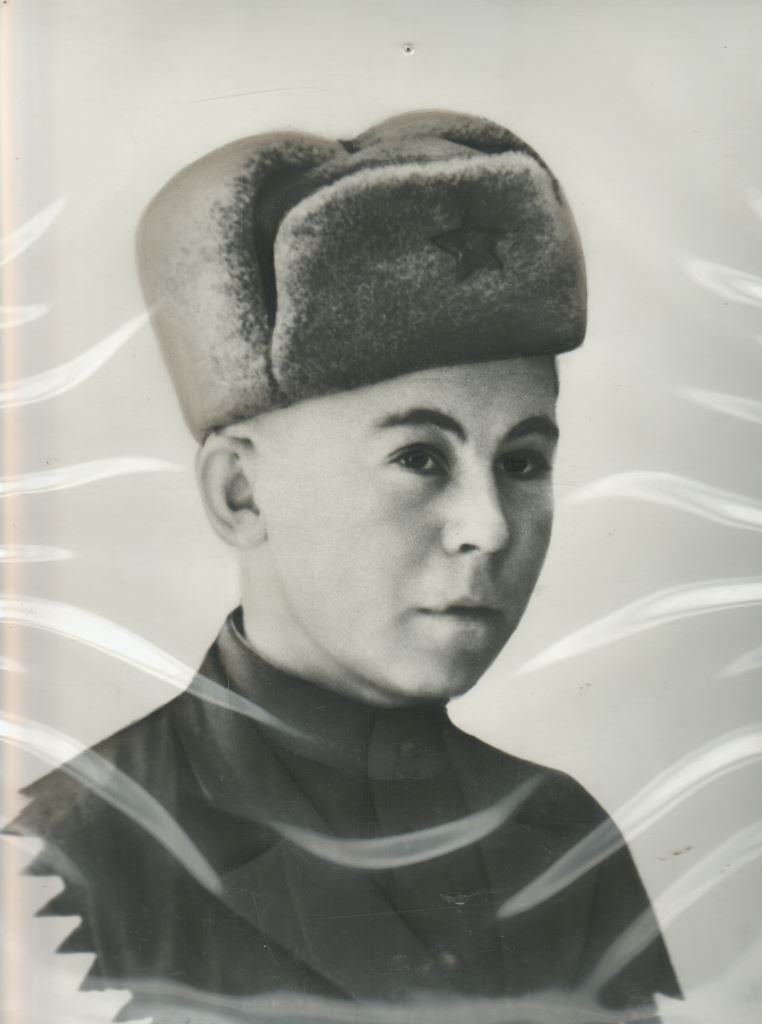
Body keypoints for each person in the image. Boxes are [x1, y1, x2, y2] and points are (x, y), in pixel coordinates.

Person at [4, 110, 681, 1023]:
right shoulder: (69, 858)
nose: (488, 527)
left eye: (523, 462)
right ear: (241, 493)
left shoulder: (561, 836)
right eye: (420, 458)